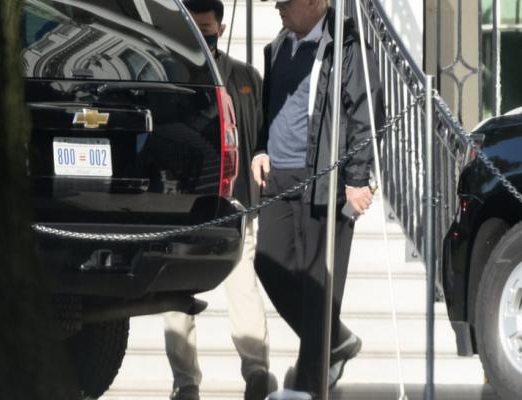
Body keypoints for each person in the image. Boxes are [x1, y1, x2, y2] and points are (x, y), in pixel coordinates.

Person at [251, 0, 385, 397]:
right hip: (278, 177)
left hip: (324, 178)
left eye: (285, 2)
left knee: (318, 287)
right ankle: (337, 340)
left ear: (313, 2)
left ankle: (308, 385)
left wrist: (357, 178)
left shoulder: (346, 46)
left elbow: (364, 113)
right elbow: (269, 107)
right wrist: (260, 149)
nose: (278, 7)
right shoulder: (278, 46)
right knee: (268, 263)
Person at [163, 1, 276, 399]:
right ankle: (185, 383)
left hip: (235, 202)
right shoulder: (167, 72)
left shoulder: (246, 77)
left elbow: (263, 135)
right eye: (192, 27)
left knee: (243, 288)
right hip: (179, 203)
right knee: (174, 296)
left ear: (221, 29)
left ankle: (257, 372)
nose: (200, 35)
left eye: (206, 28)